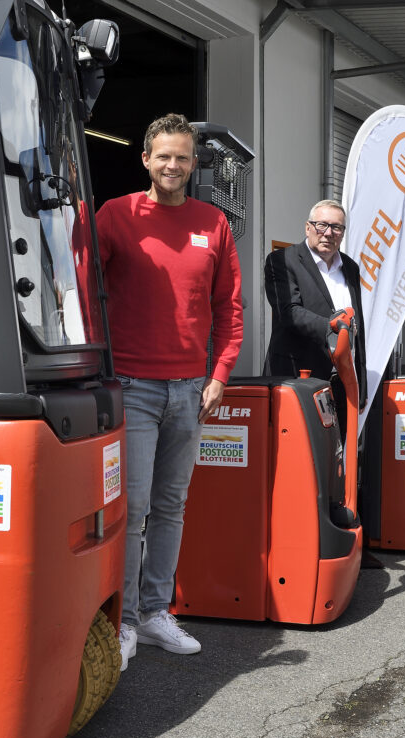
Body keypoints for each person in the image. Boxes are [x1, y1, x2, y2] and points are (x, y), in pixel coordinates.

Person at [95, 113, 243, 669]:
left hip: (190, 390)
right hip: (130, 386)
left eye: (182, 157)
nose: (173, 166)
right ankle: (126, 620)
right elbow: (83, 287)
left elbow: (230, 307)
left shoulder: (214, 224)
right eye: (163, 156)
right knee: (130, 511)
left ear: (194, 163)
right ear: (145, 160)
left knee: (170, 507)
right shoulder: (116, 216)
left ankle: (157, 613)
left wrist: (220, 374)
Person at [263, 199, 367, 411]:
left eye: (337, 227)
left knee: (342, 444)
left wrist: (361, 382)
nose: (329, 233)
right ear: (308, 227)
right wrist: (334, 327)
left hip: (343, 383)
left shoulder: (350, 267)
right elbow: (289, 313)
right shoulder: (281, 260)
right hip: (298, 381)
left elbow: (359, 326)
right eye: (322, 225)